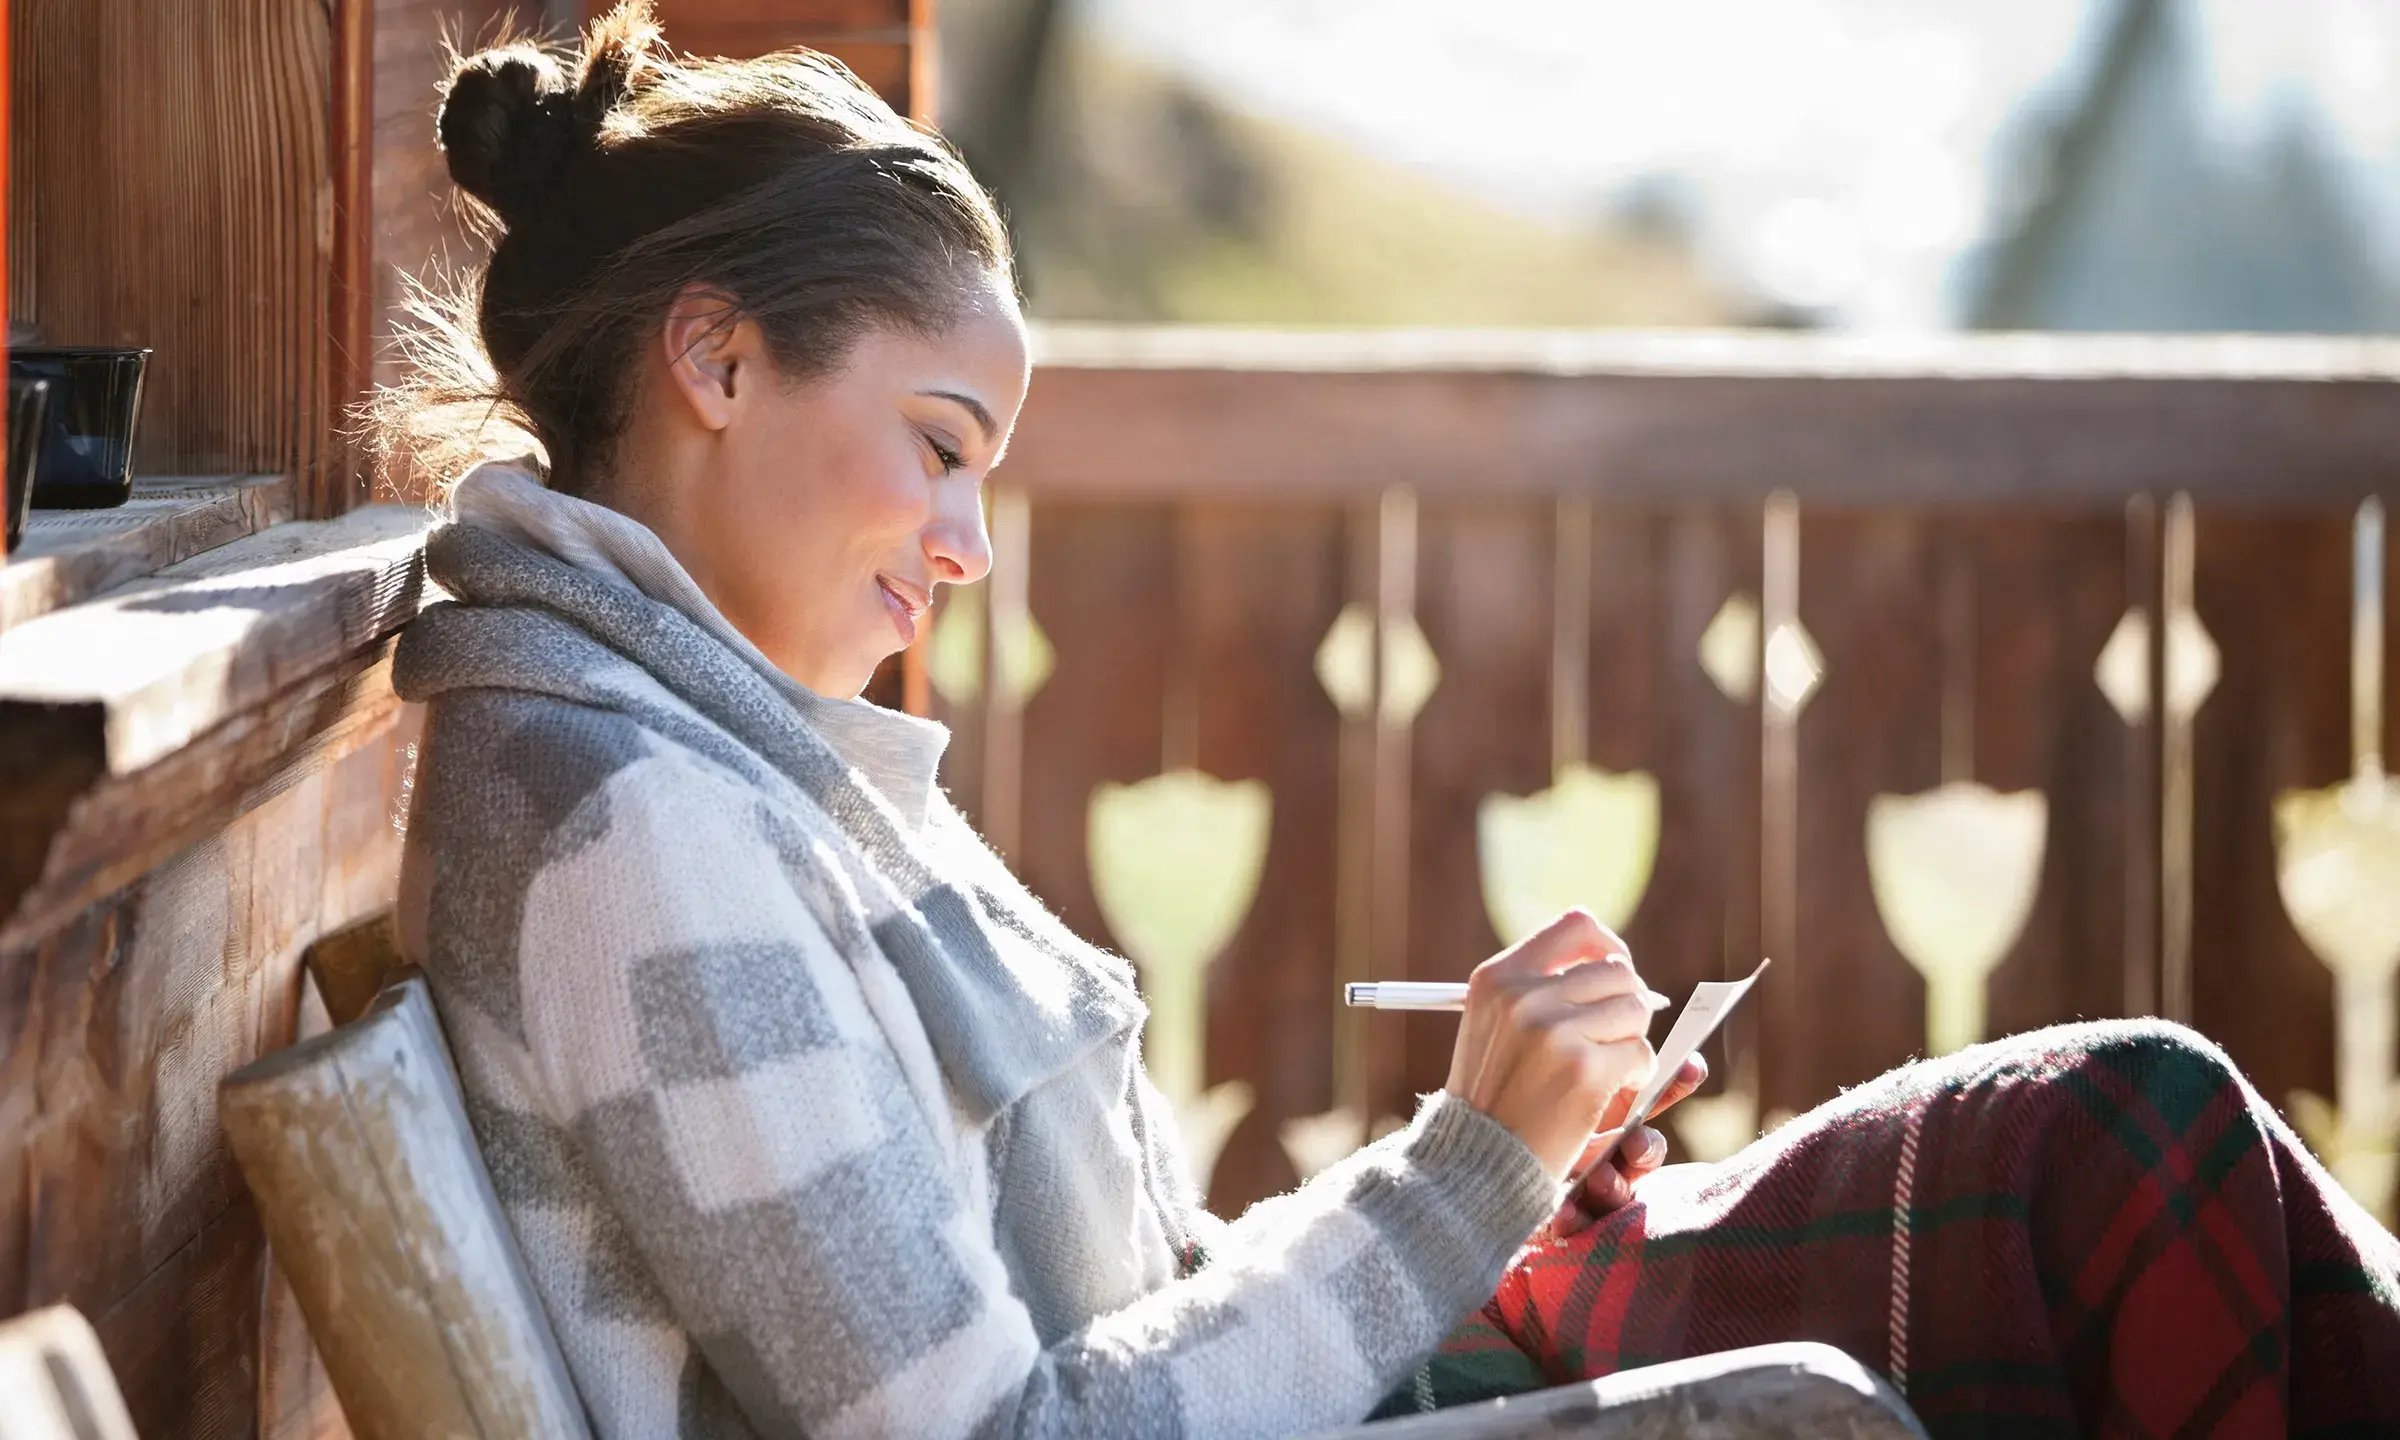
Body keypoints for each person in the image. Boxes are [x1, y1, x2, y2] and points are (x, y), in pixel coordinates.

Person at [383, 8, 2400, 1437]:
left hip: (1342, 1387)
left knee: (2118, 1151)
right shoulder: (632, 834)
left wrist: (1506, 1171)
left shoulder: (712, 763)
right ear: (716, 358)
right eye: (938, 449)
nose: (966, 544)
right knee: (2120, 1167)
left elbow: (1132, 1304)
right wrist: (1457, 1183)